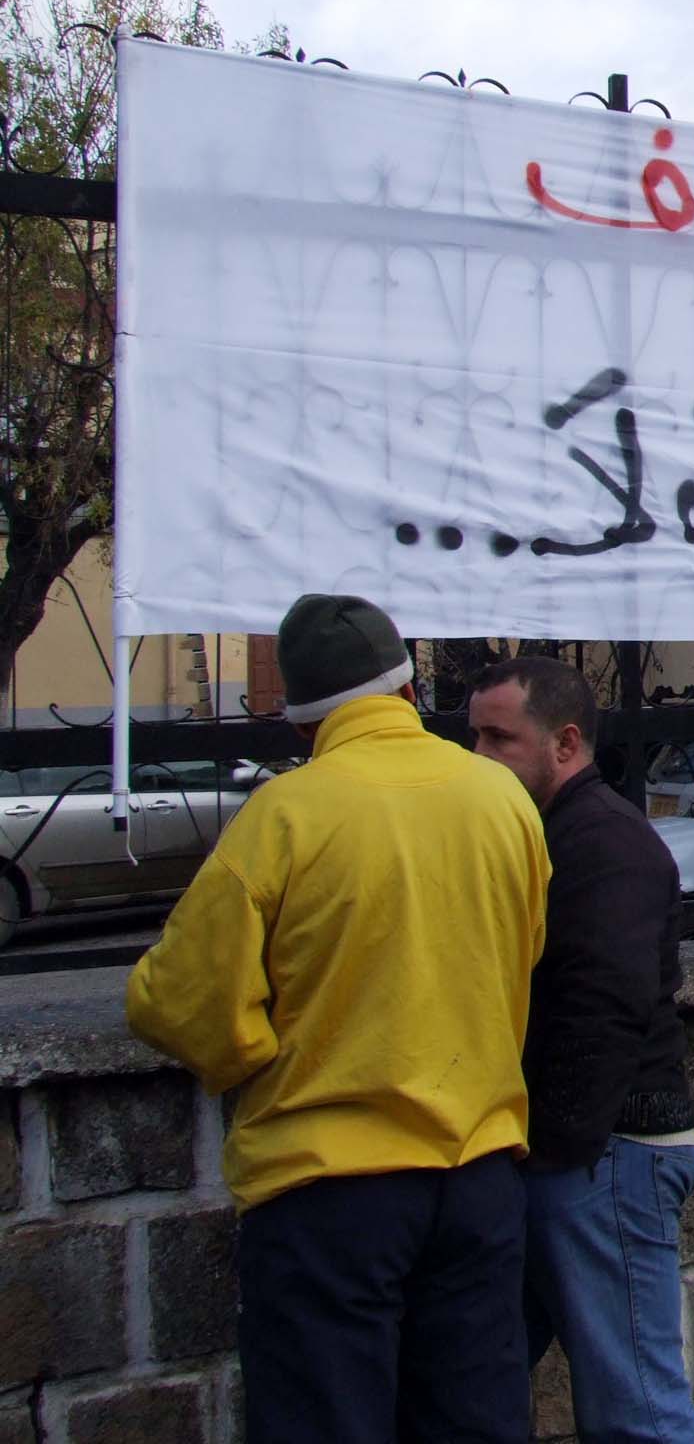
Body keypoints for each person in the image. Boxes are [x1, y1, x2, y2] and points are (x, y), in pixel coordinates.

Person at [126, 594, 549, 1444]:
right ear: (405, 689)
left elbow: (180, 1001)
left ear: (301, 721)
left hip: (329, 1189)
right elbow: (525, 948)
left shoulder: (286, 815)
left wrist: (250, 1051)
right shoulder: (500, 800)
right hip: (479, 1174)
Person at [467, 654, 694, 1444]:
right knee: (478, 1385)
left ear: (565, 743)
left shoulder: (604, 842)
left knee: (636, 1407)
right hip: (574, 1157)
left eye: (500, 738)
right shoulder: (552, 833)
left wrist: (558, 1147)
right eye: (474, 736)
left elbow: (607, 1009)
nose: (480, 758)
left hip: (606, 1155)